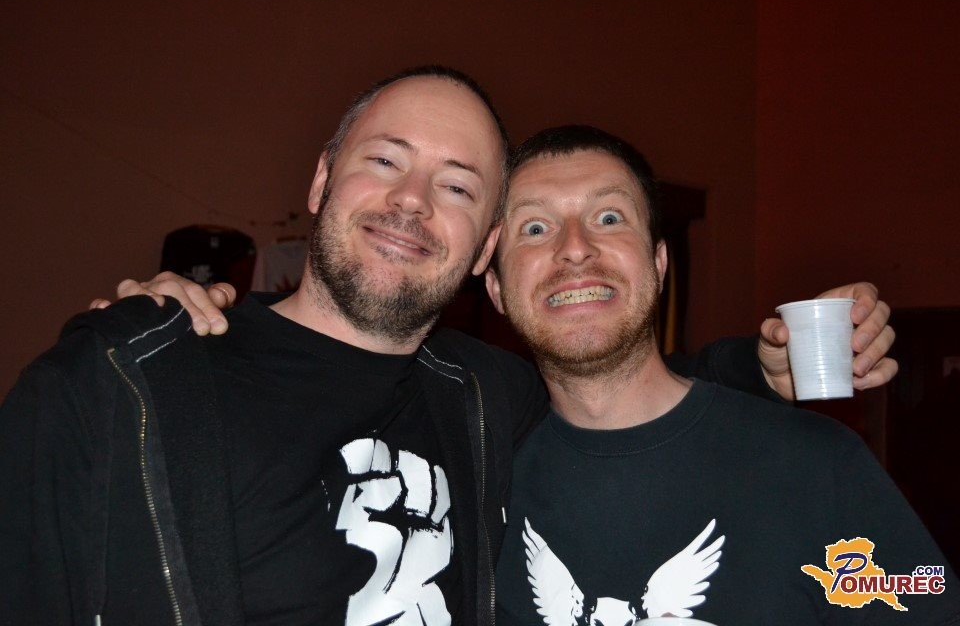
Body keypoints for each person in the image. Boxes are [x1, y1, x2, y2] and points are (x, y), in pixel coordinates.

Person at [0, 66, 894, 626]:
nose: (413, 201)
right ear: (322, 178)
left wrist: (760, 366)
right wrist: (138, 332)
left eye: (459, 186)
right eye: (385, 160)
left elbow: (621, 382)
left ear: (479, 257)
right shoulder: (115, 386)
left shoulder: (485, 396)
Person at [484, 125, 958, 624]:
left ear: (659, 264)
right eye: (534, 228)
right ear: (496, 288)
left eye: (608, 217)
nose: (576, 248)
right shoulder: (478, 480)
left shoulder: (817, 466)